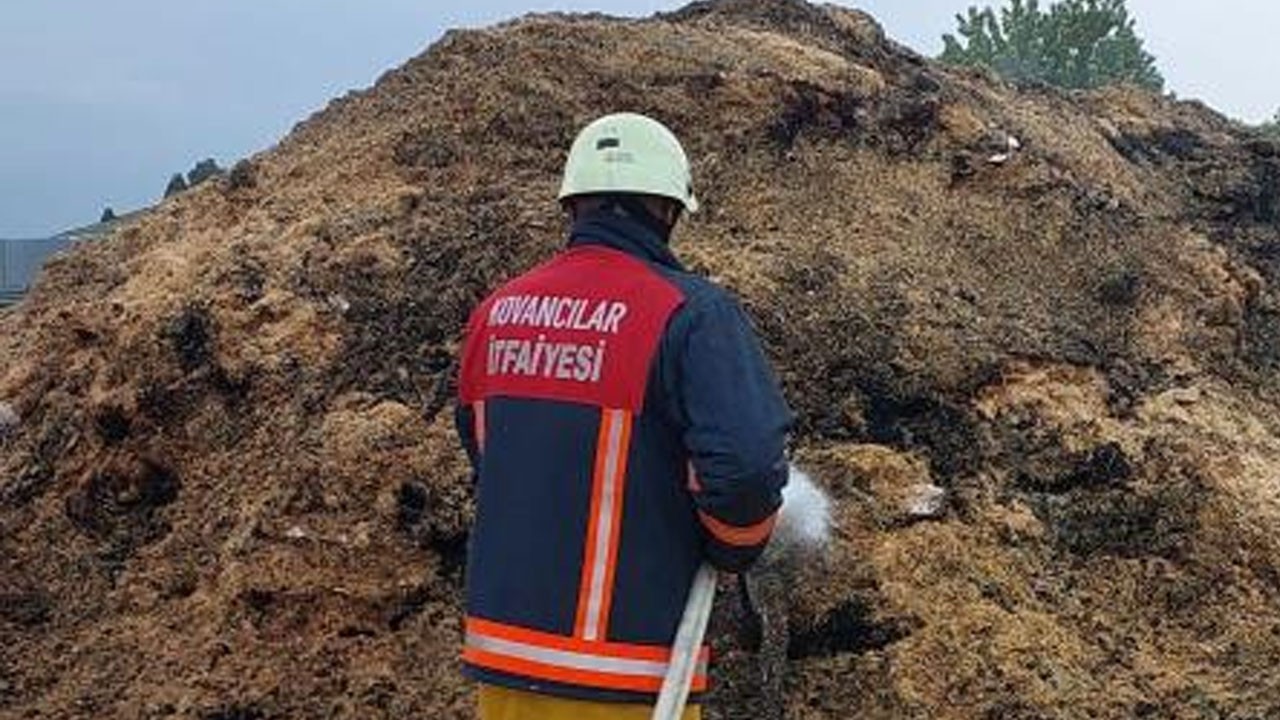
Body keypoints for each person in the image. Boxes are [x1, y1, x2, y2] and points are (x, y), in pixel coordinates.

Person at [455, 112, 792, 719]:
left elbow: (487, 451)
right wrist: (734, 546)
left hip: (504, 662)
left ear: (574, 205)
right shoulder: (691, 315)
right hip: (627, 672)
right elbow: (745, 469)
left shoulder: (496, 313)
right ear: (668, 211)